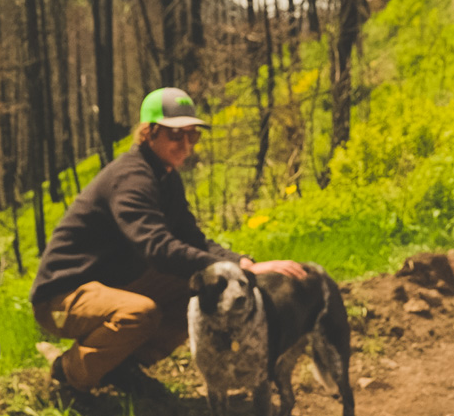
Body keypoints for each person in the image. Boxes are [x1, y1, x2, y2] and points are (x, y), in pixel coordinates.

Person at [30, 87, 306, 392]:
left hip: (109, 286)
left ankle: (121, 367)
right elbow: (158, 249)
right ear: (149, 133)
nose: (186, 144)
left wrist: (241, 263)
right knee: (138, 313)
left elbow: (194, 241)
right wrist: (233, 270)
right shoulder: (133, 178)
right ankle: (67, 375)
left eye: (193, 135)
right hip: (60, 298)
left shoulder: (165, 177)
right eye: (176, 135)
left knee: (197, 288)